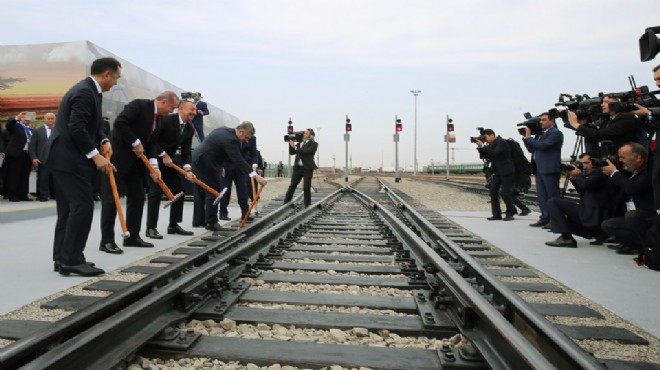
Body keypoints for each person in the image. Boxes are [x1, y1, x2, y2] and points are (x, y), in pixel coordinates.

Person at [45, 57, 120, 276]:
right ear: (107, 74)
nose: (115, 83)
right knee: (82, 206)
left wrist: (103, 139)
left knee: (68, 209)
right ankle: (72, 259)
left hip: (62, 157)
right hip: (68, 158)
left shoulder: (90, 91)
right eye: (116, 78)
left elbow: (92, 125)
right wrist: (95, 155)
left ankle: (62, 257)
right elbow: (76, 127)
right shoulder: (85, 92)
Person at [99, 91, 179, 254]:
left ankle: (132, 237)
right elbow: (120, 123)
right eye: (172, 107)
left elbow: (153, 143)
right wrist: (135, 142)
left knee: (137, 197)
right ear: (163, 102)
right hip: (118, 159)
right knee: (111, 199)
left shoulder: (160, 120)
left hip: (137, 164)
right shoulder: (139, 105)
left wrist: (154, 167)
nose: (172, 111)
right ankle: (106, 240)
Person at [191, 121, 267, 230]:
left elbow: (217, 148)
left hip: (199, 159)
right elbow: (238, 159)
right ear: (241, 131)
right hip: (206, 162)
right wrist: (255, 175)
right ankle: (211, 222)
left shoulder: (223, 129)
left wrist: (221, 166)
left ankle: (199, 220)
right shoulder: (232, 140)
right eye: (246, 137)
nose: (247, 140)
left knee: (201, 191)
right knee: (214, 191)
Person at [145, 100, 197, 239]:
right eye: (190, 109)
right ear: (180, 109)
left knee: (179, 192)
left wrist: (187, 169)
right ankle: (151, 228)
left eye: (195, 110)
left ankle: (173, 225)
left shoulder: (189, 128)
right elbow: (152, 140)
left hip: (169, 163)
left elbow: (186, 152)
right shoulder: (166, 120)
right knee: (155, 192)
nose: (193, 112)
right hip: (153, 159)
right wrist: (163, 154)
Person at [544, 153, 611, 247]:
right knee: (560, 214)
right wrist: (574, 177)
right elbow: (583, 191)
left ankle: (567, 238)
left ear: (595, 163)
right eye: (581, 163)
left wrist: (578, 175)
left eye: (586, 163)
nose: (583, 166)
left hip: (593, 215)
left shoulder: (599, 173)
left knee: (553, 202)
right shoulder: (592, 175)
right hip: (592, 214)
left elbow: (586, 185)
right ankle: (599, 235)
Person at [600, 143, 654, 255]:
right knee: (608, 224)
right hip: (638, 217)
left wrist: (614, 173)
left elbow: (632, 188)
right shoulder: (633, 171)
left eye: (622, 157)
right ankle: (636, 245)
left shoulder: (649, 171)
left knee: (633, 216)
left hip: (651, 217)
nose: (620, 160)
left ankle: (651, 248)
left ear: (638, 157)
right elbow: (621, 191)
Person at [523, 113, 564, 228]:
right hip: (539, 169)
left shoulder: (555, 133)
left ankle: (556, 220)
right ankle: (545, 217)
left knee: (552, 196)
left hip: (550, 169)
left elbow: (543, 146)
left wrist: (530, 138)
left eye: (544, 120)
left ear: (552, 121)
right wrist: (527, 138)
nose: (541, 122)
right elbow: (532, 149)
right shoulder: (540, 135)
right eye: (540, 120)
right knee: (542, 196)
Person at [567, 94, 642, 152]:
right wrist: (582, 124)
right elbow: (594, 136)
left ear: (617, 104)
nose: (602, 104)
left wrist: (576, 124)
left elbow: (600, 135)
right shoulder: (608, 120)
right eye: (602, 102)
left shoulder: (627, 117)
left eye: (606, 102)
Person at [218, 135, 257, 222]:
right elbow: (221, 152)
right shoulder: (231, 136)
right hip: (227, 167)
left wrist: (254, 165)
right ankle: (223, 213)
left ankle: (245, 214)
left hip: (240, 168)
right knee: (225, 190)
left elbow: (254, 153)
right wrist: (221, 167)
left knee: (242, 190)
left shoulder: (252, 139)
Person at [283, 129, 318, 207]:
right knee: (292, 185)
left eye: (306, 133)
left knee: (306, 187)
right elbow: (292, 153)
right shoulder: (299, 144)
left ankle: (307, 204)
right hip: (298, 168)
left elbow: (306, 152)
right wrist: (290, 143)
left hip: (307, 168)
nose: (304, 134)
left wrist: (295, 147)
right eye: (304, 133)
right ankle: (286, 202)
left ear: (311, 135)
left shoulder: (314, 144)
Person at [4, 112, 34, 202]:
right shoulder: (16, 126)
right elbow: (8, 125)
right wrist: (17, 117)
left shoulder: (31, 130)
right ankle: (12, 195)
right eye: (25, 117)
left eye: (29, 117)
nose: (27, 119)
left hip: (27, 154)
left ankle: (23, 194)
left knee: (24, 175)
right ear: (21, 118)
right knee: (14, 175)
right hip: (16, 154)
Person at [29, 112, 56, 201]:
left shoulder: (59, 130)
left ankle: (54, 195)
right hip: (42, 159)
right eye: (48, 118)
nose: (50, 120)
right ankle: (44, 195)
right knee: (43, 178)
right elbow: (32, 146)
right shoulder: (38, 131)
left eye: (52, 118)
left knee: (55, 178)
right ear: (44, 119)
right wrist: (34, 157)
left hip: (56, 159)